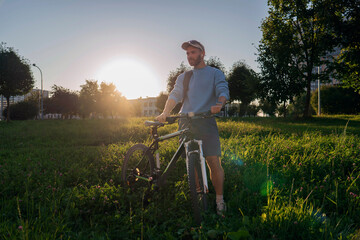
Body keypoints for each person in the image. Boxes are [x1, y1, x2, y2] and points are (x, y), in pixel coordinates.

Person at [156, 40, 230, 215]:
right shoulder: (184, 77)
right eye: (187, 53)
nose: (190, 56)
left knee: (213, 161)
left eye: (193, 53)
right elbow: (175, 94)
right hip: (186, 121)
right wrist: (165, 112)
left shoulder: (214, 73)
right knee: (192, 161)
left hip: (206, 120)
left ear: (202, 53)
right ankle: (198, 196)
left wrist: (219, 104)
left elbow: (223, 90)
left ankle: (220, 200)